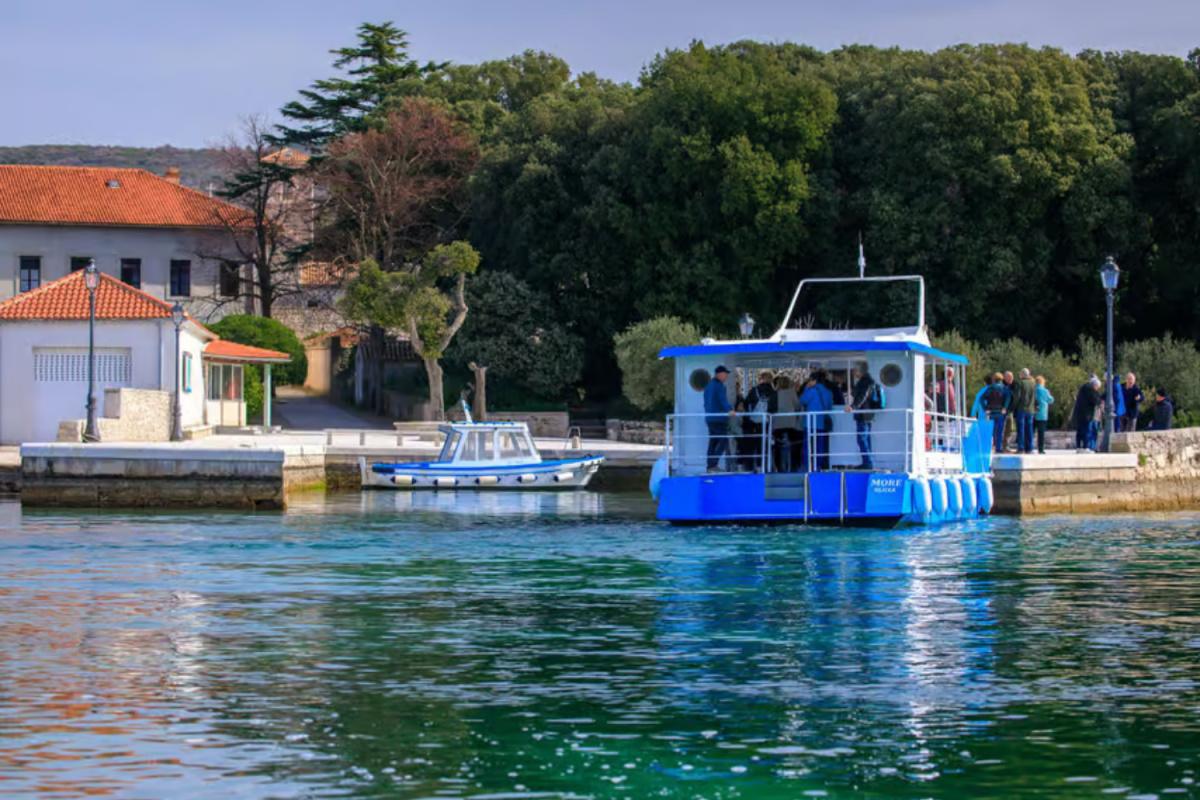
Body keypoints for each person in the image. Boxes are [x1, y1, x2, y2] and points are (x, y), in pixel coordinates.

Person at [845, 361, 878, 469]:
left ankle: (868, 463)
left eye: (855, 370)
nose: (854, 372)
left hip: (863, 414)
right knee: (865, 439)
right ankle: (868, 462)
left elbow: (862, 396)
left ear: (860, 371)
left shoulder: (865, 382)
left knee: (862, 439)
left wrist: (853, 407)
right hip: (868, 414)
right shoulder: (868, 380)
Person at [742, 370, 776, 472]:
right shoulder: (773, 392)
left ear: (761, 379)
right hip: (767, 421)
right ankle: (764, 466)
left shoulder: (754, 390)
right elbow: (775, 407)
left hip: (754, 422)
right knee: (765, 445)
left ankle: (752, 466)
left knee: (753, 444)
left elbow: (746, 403)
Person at [703, 365, 736, 471]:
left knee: (713, 442)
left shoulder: (708, 386)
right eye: (725, 374)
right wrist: (730, 410)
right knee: (723, 441)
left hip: (710, 418)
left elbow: (706, 402)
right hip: (718, 419)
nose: (726, 376)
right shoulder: (719, 386)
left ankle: (710, 466)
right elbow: (722, 400)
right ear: (719, 374)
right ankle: (713, 465)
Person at [801, 370, 834, 470]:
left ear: (814, 380)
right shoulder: (828, 392)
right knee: (820, 446)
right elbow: (829, 407)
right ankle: (818, 465)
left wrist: (806, 388)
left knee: (808, 446)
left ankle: (808, 466)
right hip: (821, 423)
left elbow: (801, 401)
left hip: (810, 423)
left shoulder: (811, 391)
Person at [773, 374, 800, 472]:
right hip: (791, 423)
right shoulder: (792, 392)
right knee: (794, 445)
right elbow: (797, 406)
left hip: (777, 424)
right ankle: (793, 466)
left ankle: (778, 467)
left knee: (777, 446)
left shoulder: (775, 393)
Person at [1071, 376, 1103, 451]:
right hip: (1087, 414)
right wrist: (1100, 401)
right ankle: (1086, 447)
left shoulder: (1083, 388)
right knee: (1087, 430)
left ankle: (1079, 447)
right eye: (1097, 388)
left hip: (1079, 413)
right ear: (1095, 385)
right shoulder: (1090, 390)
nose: (1097, 389)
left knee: (1079, 430)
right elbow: (1095, 400)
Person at [982, 372, 1011, 453]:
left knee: (991, 431)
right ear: (1001, 379)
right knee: (1000, 431)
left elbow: (981, 399)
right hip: (1000, 412)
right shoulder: (1004, 388)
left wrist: (985, 408)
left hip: (991, 412)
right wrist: (1005, 407)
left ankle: (990, 447)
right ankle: (998, 448)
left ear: (994, 379)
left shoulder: (990, 388)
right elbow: (1008, 398)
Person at [1012, 368, 1037, 454]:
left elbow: (1017, 397)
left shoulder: (1020, 383)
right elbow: (1034, 397)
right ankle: (1029, 448)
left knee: (1021, 429)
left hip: (1021, 409)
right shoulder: (1033, 383)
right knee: (1029, 429)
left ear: (1022, 374)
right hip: (1030, 410)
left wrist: (1013, 407)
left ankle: (1021, 448)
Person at [1034, 375, 1054, 454]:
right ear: (1042, 382)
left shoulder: (1034, 389)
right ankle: (1040, 449)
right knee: (1041, 433)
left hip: (1033, 412)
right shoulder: (1045, 391)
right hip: (1042, 414)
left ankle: (1029, 447)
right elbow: (1051, 400)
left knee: (1031, 431)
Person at [1002, 371, 1017, 451]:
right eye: (1009, 377)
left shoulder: (1015, 385)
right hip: (1002, 411)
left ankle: (1006, 445)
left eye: (1011, 377)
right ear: (1005, 378)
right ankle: (1002, 446)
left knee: (1010, 428)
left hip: (1010, 411)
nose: (1011, 379)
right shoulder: (1002, 386)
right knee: (1003, 428)